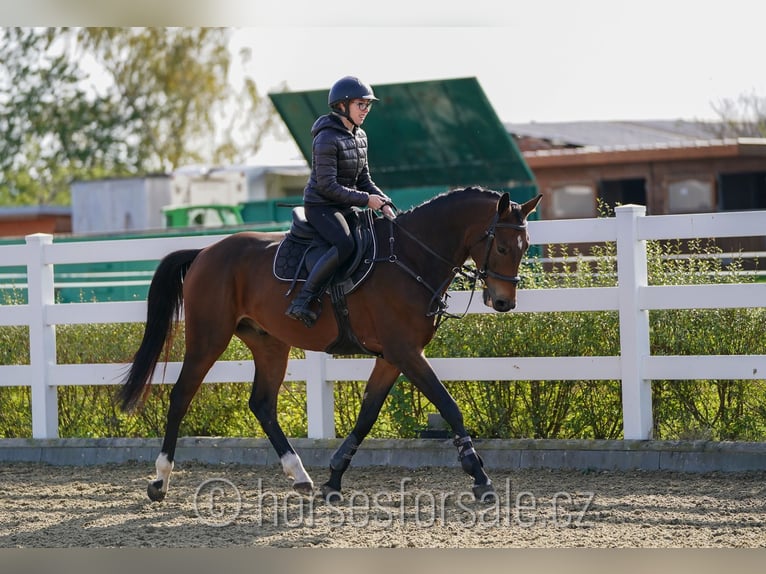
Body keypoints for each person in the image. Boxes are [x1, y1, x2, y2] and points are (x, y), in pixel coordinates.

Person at [286, 76, 395, 327]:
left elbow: (364, 179)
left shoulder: (360, 136)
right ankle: (302, 300)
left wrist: (385, 201)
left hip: (344, 205)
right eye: (361, 105)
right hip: (321, 207)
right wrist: (366, 200)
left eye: (368, 105)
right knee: (345, 244)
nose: (366, 110)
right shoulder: (326, 138)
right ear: (343, 105)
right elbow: (327, 186)